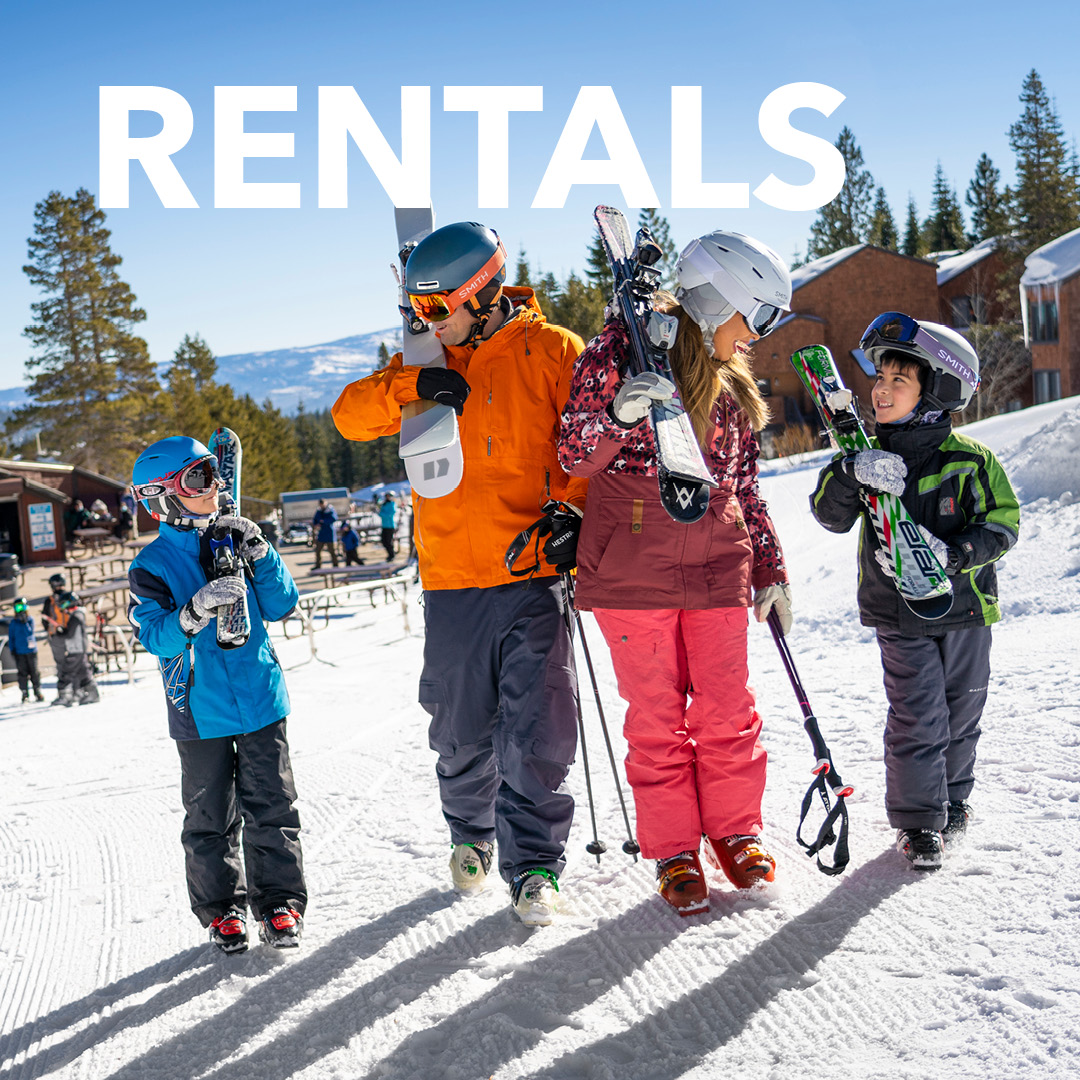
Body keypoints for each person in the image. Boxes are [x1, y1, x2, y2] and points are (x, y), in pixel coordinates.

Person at [332, 220, 586, 925]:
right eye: (418, 311)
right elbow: (349, 417)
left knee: (537, 730)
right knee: (459, 731)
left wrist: (573, 514)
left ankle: (534, 865)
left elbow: (594, 446)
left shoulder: (552, 351)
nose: (426, 322)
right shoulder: (421, 362)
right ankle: (471, 834)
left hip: (530, 572)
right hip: (450, 584)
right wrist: (413, 382)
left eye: (438, 309)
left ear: (484, 291)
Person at [558, 230, 792, 916]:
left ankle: (734, 828)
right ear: (720, 303)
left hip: (718, 558)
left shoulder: (729, 387)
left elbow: (746, 489)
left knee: (727, 706)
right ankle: (673, 847)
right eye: (759, 317)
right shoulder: (619, 350)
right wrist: (620, 414)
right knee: (657, 716)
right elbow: (575, 452)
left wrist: (771, 569)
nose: (758, 337)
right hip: (634, 562)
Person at [809, 313, 1019, 871]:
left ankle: (952, 801)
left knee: (962, 709)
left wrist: (956, 557)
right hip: (899, 614)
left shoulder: (972, 461)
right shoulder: (866, 458)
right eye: (878, 379)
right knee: (918, 716)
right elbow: (828, 514)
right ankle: (920, 822)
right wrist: (853, 474)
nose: (878, 390)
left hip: (968, 608)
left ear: (938, 391)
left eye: (897, 380)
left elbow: (1003, 523)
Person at [129, 436, 307, 952]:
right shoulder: (152, 566)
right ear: (164, 496)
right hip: (199, 708)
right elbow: (155, 634)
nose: (216, 487)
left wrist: (262, 552)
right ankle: (222, 909)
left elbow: (281, 606)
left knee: (272, 805)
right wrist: (194, 611)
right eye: (199, 479)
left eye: (213, 474)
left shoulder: (232, 539)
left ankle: (278, 904)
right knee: (210, 817)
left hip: (260, 697)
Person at [42, 592, 99, 706]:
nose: (63, 608)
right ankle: (90, 693)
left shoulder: (76, 616)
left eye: (63, 605)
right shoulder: (77, 615)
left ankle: (65, 696)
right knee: (83, 672)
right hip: (78, 648)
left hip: (76, 649)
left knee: (66, 671)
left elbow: (69, 634)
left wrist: (58, 633)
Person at [8, 597, 44, 703]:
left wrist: (24, 622)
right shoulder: (13, 623)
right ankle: (24, 692)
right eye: (18, 608)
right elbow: (11, 637)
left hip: (31, 651)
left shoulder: (30, 620)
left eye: (22, 607)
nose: (20, 610)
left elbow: (30, 632)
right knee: (22, 673)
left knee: (34, 672)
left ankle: (37, 691)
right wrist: (12, 650)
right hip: (19, 652)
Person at [41, 573, 68, 702]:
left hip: (57, 637)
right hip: (72, 636)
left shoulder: (50, 600)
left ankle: (63, 693)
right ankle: (78, 689)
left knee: (61, 666)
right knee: (76, 664)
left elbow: (45, 620)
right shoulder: (70, 597)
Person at [311, 499, 339, 570]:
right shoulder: (319, 511)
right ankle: (318, 565)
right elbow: (315, 519)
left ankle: (335, 565)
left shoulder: (330, 510)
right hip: (321, 533)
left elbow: (334, 518)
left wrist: (323, 521)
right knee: (318, 550)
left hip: (329, 533)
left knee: (332, 551)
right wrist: (316, 524)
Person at [378, 494, 398, 561]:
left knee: (389, 541)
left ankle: (391, 555)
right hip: (384, 525)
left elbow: (390, 514)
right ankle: (390, 554)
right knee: (384, 541)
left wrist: (381, 513)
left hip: (390, 526)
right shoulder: (384, 504)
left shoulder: (392, 504)